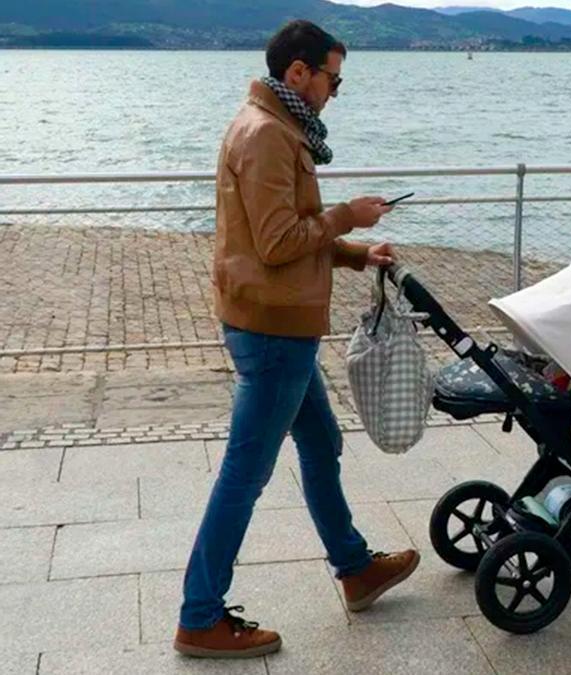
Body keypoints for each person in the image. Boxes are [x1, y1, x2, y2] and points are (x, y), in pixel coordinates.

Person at [174, 19, 420, 659]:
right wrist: (347, 215)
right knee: (244, 473)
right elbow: (281, 242)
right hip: (272, 329)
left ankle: (354, 566)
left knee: (320, 439)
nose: (336, 91)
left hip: (277, 321)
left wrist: (357, 253)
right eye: (333, 78)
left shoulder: (276, 127)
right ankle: (199, 617)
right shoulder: (265, 137)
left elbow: (287, 235)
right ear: (299, 73)